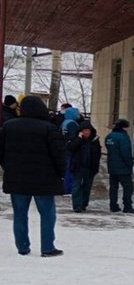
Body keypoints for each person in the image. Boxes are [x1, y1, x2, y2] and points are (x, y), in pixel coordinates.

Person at [0, 96, 65, 257]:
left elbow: (1, 152)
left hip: (16, 179)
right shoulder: (48, 128)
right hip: (44, 180)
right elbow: (58, 154)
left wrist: (7, 167)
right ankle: (47, 247)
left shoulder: (8, 126)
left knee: (20, 214)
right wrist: (61, 173)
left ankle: (22, 247)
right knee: (48, 214)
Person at [67, 120, 102, 212]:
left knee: (87, 187)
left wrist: (96, 167)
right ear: (81, 131)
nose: (87, 132)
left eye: (88, 130)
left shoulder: (94, 140)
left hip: (90, 167)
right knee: (76, 187)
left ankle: (83, 204)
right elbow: (70, 148)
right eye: (85, 130)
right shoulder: (75, 138)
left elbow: (98, 154)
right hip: (77, 167)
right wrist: (78, 139)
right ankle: (77, 206)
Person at [105, 119, 134, 213]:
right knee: (128, 187)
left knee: (113, 187)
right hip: (123, 167)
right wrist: (130, 164)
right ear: (123, 127)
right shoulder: (123, 137)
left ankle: (113, 205)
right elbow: (126, 153)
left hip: (111, 166)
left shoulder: (109, 136)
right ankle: (127, 206)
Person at [60, 107, 81, 195]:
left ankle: (65, 187)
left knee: (66, 169)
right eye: (77, 113)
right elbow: (74, 137)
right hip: (70, 150)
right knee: (70, 169)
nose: (79, 115)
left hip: (64, 148)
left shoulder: (64, 122)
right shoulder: (72, 124)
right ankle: (68, 188)